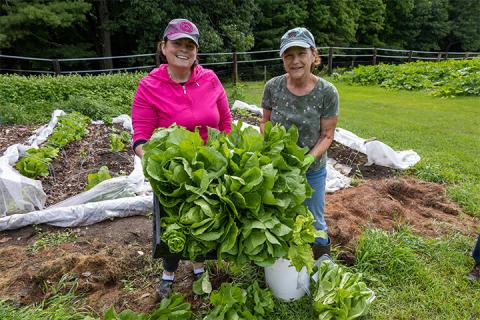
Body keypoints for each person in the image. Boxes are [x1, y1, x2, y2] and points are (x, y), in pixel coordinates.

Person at [131, 18, 232, 300]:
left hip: (209, 170)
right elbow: (141, 137)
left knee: (203, 221)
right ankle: (169, 273)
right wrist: (160, 167)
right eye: (177, 44)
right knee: (173, 225)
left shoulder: (210, 79)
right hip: (172, 175)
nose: (184, 50)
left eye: (190, 45)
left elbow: (225, 123)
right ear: (163, 47)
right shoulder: (149, 85)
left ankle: (200, 267)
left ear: (196, 52)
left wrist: (218, 154)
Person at [260, 27, 339, 259]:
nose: (295, 61)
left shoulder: (327, 92)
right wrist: (271, 144)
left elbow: (327, 135)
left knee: (314, 217)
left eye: (301, 53)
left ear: (313, 56)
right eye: (289, 55)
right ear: (283, 59)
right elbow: (264, 122)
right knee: (281, 214)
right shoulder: (272, 87)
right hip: (279, 168)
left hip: (311, 168)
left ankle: (321, 259)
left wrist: (306, 161)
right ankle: (285, 259)